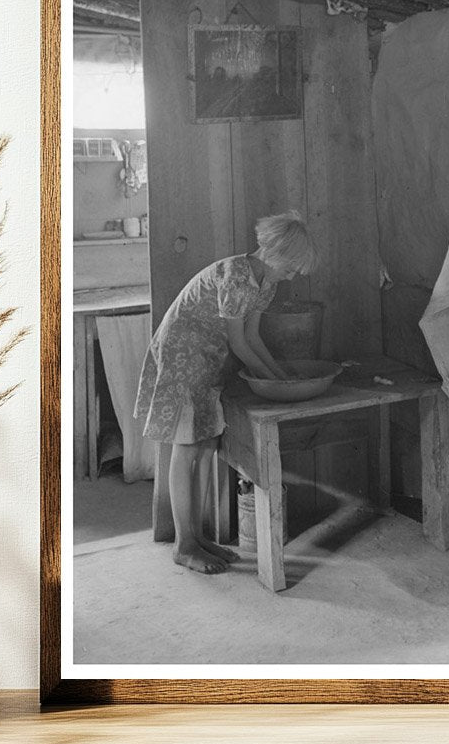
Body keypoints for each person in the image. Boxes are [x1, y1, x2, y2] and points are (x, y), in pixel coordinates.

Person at [134, 212, 317, 574]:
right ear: (274, 252)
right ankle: (183, 545)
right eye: (292, 266)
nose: (294, 275)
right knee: (186, 448)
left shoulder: (266, 284)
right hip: (181, 354)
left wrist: (281, 375)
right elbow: (239, 345)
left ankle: (198, 537)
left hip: (207, 357)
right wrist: (280, 384)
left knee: (204, 449)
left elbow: (253, 339)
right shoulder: (236, 277)